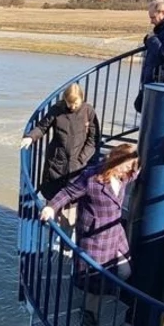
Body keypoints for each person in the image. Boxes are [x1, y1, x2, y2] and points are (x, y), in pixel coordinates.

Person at [39, 144, 140, 326]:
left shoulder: (124, 175)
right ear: (115, 160)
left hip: (115, 233)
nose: (129, 169)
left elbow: (134, 173)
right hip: (95, 238)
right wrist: (51, 207)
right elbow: (68, 192)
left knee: (125, 271)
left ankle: (104, 292)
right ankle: (89, 311)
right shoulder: (92, 178)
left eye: (131, 166)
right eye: (127, 165)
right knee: (96, 280)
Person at [22, 83, 98, 239]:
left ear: (81, 100)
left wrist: (82, 158)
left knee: (71, 203)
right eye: (70, 103)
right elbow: (42, 127)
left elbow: (93, 139)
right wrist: (30, 137)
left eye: (75, 103)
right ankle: (50, 233)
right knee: (52, 199)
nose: (72, 106)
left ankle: (65, 239)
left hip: (77, 165)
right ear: (65, 100)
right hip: (56, 163)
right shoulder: (57, 109)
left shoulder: (88, 111)